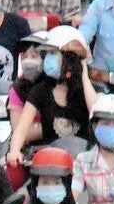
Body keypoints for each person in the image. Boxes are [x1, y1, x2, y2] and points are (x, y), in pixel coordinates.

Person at [6, 26, 100, 163]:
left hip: (83, 164)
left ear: (70, 58)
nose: (48, 59)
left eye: (53, 53)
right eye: (47, 54)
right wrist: (14, 151)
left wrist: (84, 75)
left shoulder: (91, 91)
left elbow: (95, 110)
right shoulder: (40, 91)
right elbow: (21, 129)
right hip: (51, 163)